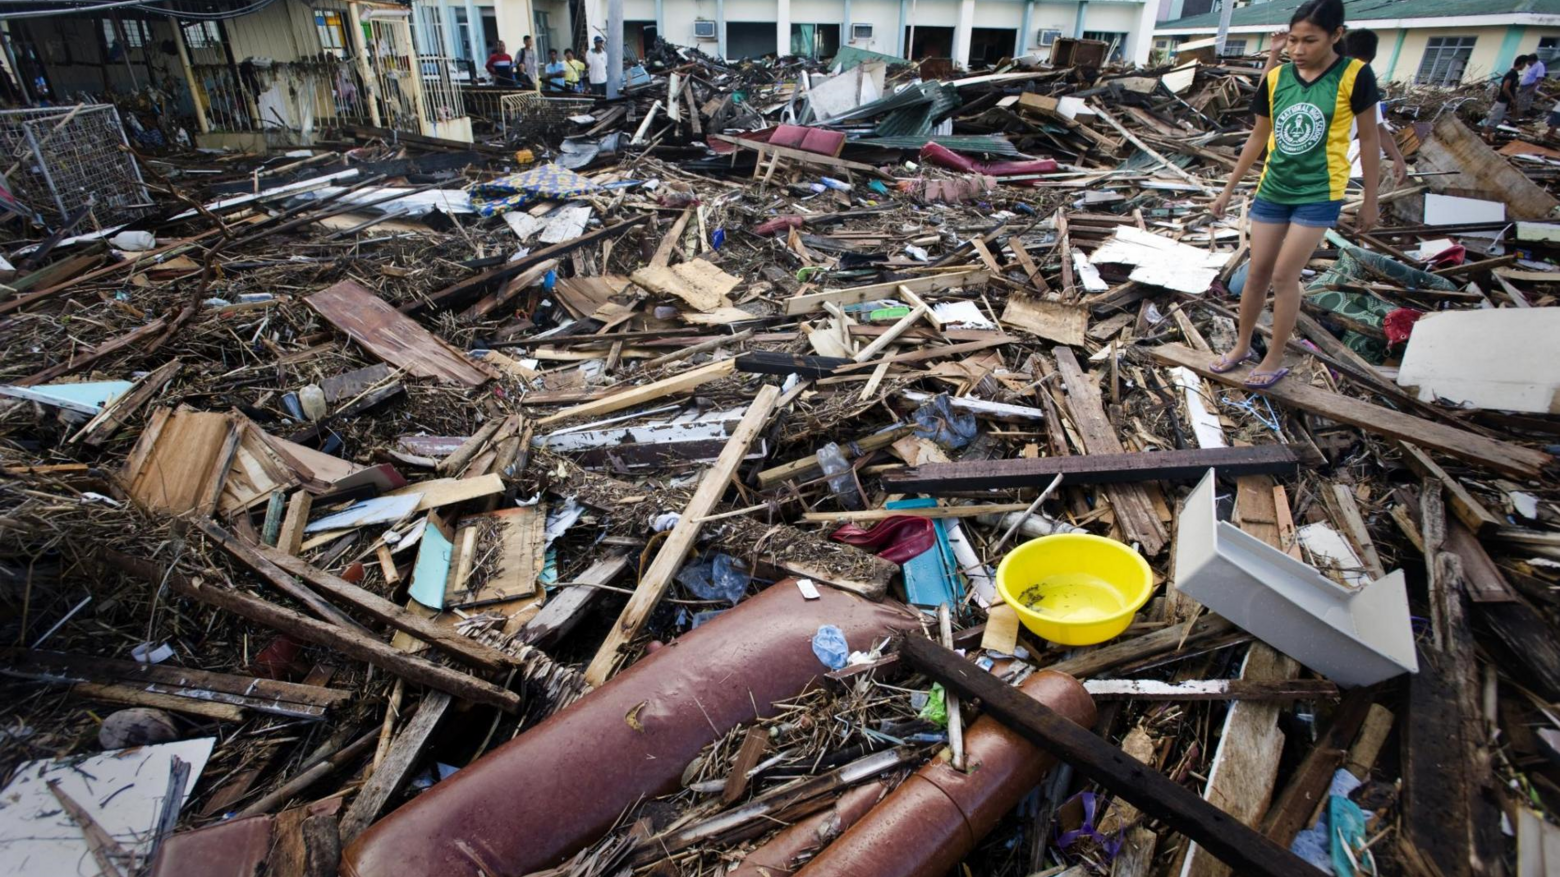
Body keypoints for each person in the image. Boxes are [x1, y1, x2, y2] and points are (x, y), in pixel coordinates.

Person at [1209, 0, 1381, 390]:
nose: (1298, 49)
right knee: (1256, 273)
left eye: (1309, 40)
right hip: (1274, 187)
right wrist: (1228, 189)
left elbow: (1370, 140)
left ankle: (1274, 355)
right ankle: (1241, 346)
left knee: (1285, 275)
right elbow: (1259, 136)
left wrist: (1371, 199)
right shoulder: (1276, 78)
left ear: (1337, 36)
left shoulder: (1355, 75)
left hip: (1320, 190)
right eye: (1292, 40)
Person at [1343, 29, 1408, 187]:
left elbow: (1377, 128)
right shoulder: (1324, 83)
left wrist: (1398, 158)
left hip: (1330, 170)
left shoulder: (1364, 87)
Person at [1487, 55, 1527, 133]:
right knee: (1492, 123)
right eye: (1525, 64)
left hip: (1504, 103)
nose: (1525, 66)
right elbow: (1505, 88)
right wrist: (1512, 99)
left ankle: (1488, 137)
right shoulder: (1511, 74)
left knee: (1496, 122)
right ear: (1521, 63)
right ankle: (1484, 136)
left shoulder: (1515, 74)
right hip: (1501, 102)